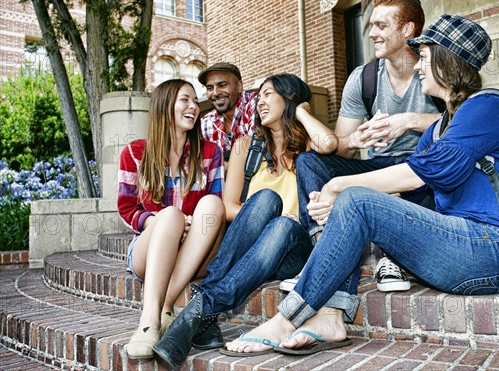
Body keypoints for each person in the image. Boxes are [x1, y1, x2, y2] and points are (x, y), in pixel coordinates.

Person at [223, 14, 499, 357]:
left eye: (426, 58)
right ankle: (329, 316)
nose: (418, 66)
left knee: (357, 199)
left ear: (447, 62)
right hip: (455, 248)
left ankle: (288, 318)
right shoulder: (439, 127)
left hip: (491, 253)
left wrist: (337, 186)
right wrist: (341, 198)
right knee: (355, 202)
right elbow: (413, 178)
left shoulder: (488, 106)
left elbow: (422, 173)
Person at [153, 73, 338, 367]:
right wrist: (272, 218)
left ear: (289, 99)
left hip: (298, 249)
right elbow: (227, 207)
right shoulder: (244, 147)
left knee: (285, 225)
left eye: (267, 94)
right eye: (258, 96)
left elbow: (329, 143)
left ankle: (198, 311)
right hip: (259, 247)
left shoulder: (308, 147)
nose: (259, 101)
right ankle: (203, 314)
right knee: (266, 200)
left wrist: (302, 111)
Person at [284, 0, 442, 294]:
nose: (371, 34)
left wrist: (408, 120)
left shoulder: (435, 67)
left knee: (435, 175)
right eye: (371, 25)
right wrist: (355, 138)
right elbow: (341, 147)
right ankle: (323, 249)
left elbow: (466, 122)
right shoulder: (364, 78)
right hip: (377, 165)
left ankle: (393, 257)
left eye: (381, 26)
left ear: (407, 30)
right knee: (310, 161)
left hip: (419, 167)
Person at [118, 79, 225, 359]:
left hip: (196, 250)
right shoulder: (134, 153)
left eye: (194, 101)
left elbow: (215, 210)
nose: (194, 107)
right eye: (185, 100)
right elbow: (126, 207)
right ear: (165, 105)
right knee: (169, 216)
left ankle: (164, 306)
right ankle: (149, 321)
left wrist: (189, 225)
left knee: (213, 204)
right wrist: (163, 222)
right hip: (151, 249)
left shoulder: (211, 152)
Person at [199, 62, 257, 167]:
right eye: (210, 88)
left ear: (239, 86)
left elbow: (256, 157)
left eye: (222, 85)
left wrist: (219, 168)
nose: (215, 93)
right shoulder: (205, 123)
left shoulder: (257, 105)